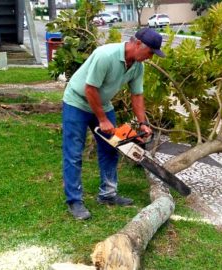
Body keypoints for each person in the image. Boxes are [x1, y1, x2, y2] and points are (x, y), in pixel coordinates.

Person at [62, 28, 165, 220]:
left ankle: (108, 194)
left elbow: (137, 95)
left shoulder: (137, 66)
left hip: (102, 104)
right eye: (150, 52)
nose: (151, 57)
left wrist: (142, 123)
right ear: (137, 44)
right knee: (74, 152)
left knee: (112, 147)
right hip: (77, 101)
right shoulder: (105, 55)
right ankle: (74, 201)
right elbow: (90, 88)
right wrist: (102, 119)